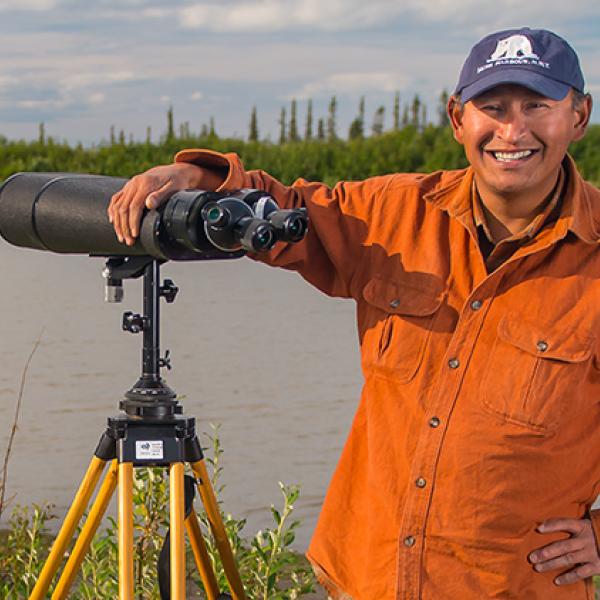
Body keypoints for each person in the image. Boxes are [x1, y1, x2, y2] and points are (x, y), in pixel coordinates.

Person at [108, 27, 600, 599]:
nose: (512, 131)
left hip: (509, 587)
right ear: (458, 118)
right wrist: (198, 179)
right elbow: (284, 209)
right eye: (492, 107)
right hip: (365, 577)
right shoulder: (394, 214)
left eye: (537, 105)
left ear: (578, 115)